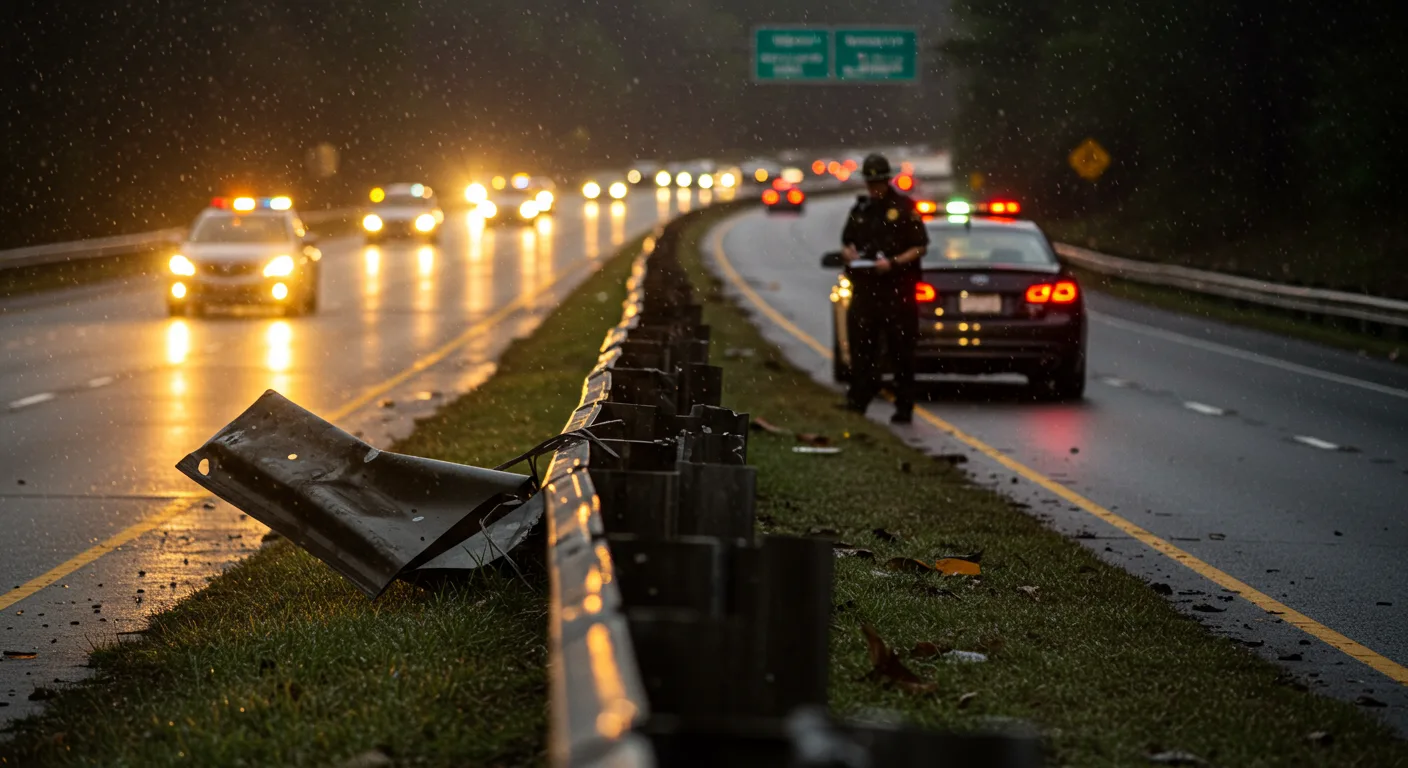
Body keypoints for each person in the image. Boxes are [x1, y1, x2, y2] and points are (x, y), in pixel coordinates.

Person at [839, 153, 929, 423]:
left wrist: (893, 262)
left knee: (901, 350)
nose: (873, 188)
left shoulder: (904, 208)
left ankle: (904, 406)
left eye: (878, 182)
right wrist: (850, 253)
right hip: (866, 288)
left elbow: (919, 246)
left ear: (887, 180)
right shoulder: (861, 210)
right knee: (861, 347)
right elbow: (846, 242)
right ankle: (858, 400)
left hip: (897, 290)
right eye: (870, 183)